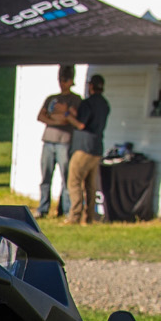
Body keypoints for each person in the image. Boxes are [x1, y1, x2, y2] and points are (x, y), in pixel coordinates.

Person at [35, 65, 78, 218]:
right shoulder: (51, 98)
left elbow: (72, 118)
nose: (62, 83)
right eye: (60, 79)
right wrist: (56, 120)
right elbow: (41, 116)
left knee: (65, 177)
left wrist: (60, 116)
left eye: (65, 80)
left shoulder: (75, 99)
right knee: (45, 176)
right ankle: (43, 208)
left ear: (71, 81)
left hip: (64, 142)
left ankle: (66, 209)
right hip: (48, 140)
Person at [66, 73, 110, 225]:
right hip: (97, 148)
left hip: (83, 147)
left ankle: (74, 216)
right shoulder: (105, 104)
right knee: (90, 185)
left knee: (74, 181)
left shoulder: (88, 103)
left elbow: (81, 124)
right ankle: (88, 217)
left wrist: (68, 115)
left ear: (91, 86)